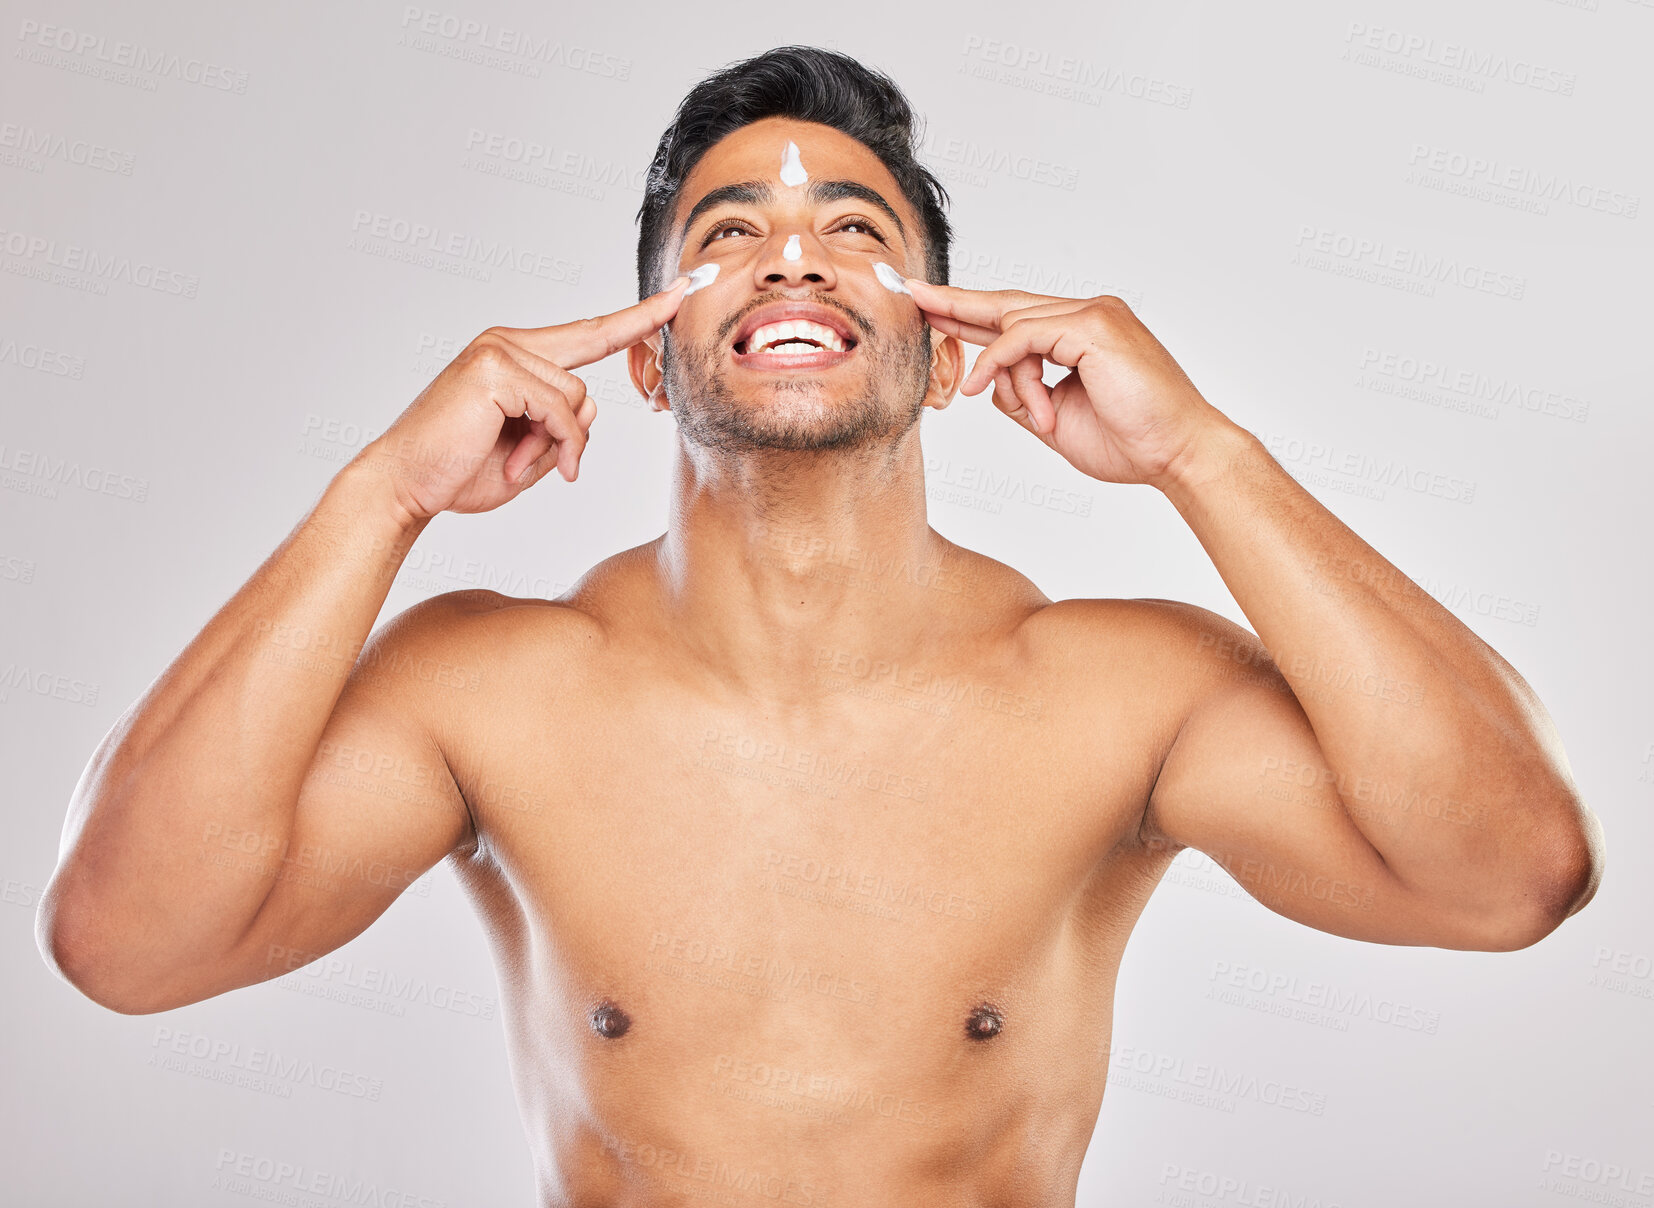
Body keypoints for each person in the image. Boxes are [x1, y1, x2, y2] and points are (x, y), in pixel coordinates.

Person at [38, 44, 1603, 1207]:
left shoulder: (1117, 691)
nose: (791, 251)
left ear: (944, 355)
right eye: (724, 233)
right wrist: (378, 494)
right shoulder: (489, 689)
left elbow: (1507, 874)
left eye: (857, 229)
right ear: (646, 362)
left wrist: (1205, 455)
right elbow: (125, 944)